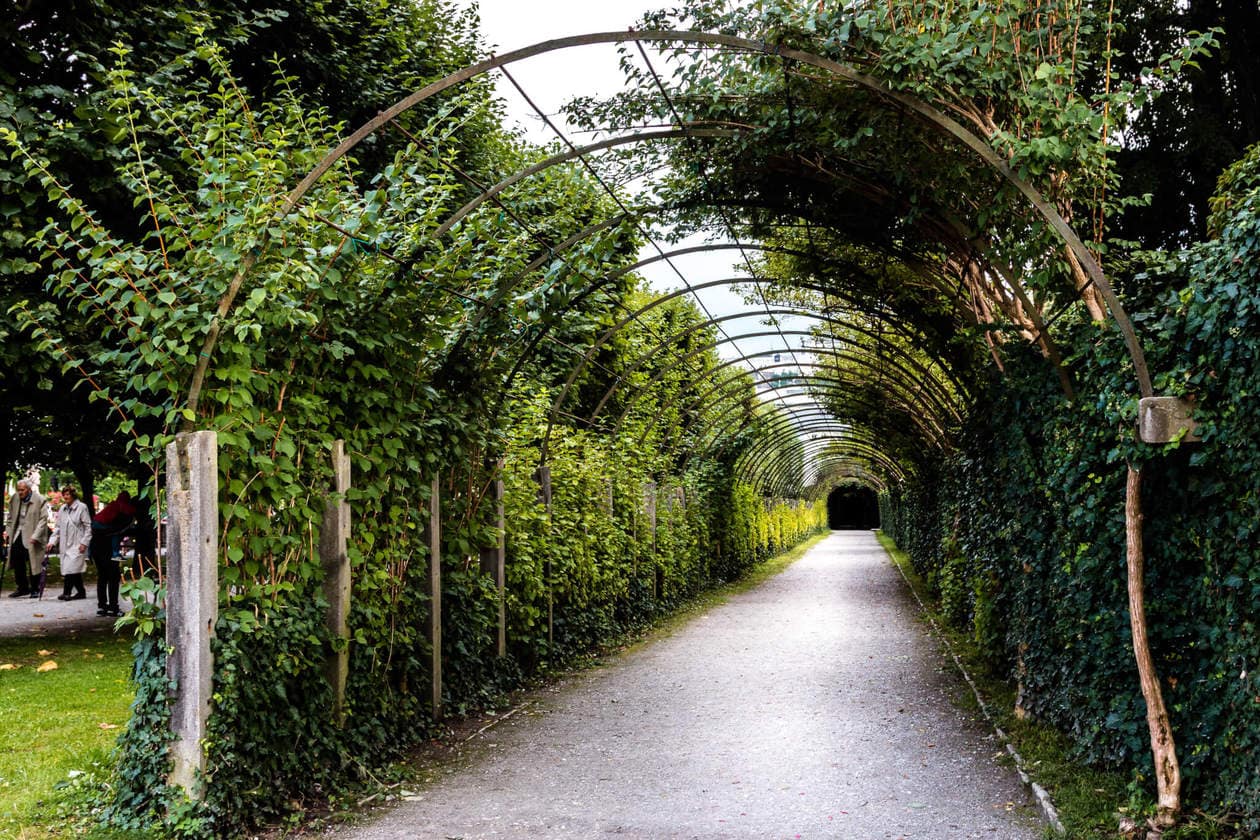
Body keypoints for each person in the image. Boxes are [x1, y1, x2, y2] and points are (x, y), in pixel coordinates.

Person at [90, 490, 135, 616]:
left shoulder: (108, 510)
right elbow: (118, 530)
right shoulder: (123, 512)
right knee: (113, 577)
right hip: (108, 548)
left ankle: (102, 606)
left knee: (102, 577)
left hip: (96, 546)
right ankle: (113, 607)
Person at [5, 479, 51, 598]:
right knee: (16, 559)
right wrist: (8, 531)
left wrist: (36, 536)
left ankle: (35, 588)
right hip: (18, 533)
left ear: (29, 489)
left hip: (33, 533)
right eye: (18, 490)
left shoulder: (40, 500)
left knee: (34, 561)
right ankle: (22, 587)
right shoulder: (15, 498)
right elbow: (10, 517)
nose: (20, 492)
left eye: (22, 490)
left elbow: (43, 520)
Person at [49, 485, 91, 600]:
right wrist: (52, 541)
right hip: (65, 543)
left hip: (77, 543)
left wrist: (84, 543)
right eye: (64, 494)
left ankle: (66, 592)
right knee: (73, 569)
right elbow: (58, 527)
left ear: (73, 495)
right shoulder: (62, 508)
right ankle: (81, 592)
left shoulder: (82, 507)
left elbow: (88, 526)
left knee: (71, 568)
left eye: (67, 494)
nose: (65, 496)